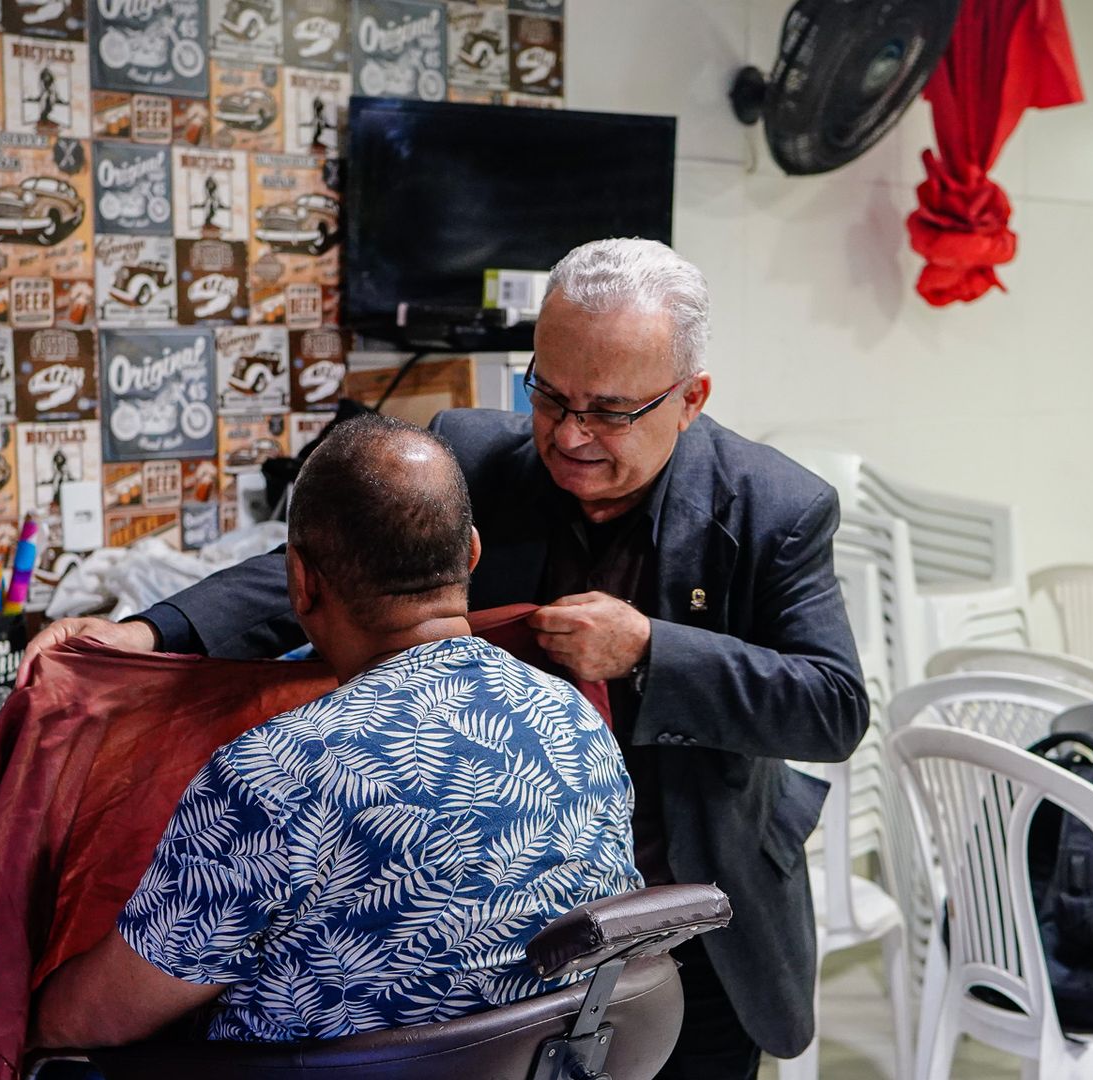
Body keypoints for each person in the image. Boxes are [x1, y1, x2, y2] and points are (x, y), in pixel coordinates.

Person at [28, 238, 868, 1076]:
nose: (570, 434)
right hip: (491, 921)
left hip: (693, 902)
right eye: (550, 394)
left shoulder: (773, 507)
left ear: (690, 399)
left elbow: (832, 706)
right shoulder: (472, 455)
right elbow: (327, 563)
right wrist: (150, 633)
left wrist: (652, 650)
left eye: (608, 411)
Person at [31, 414, 641, 1048]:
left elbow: (97, 1017)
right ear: (471, 554)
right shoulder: (572, 717)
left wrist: (24, 1011)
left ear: (301, 579)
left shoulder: (275, 774)